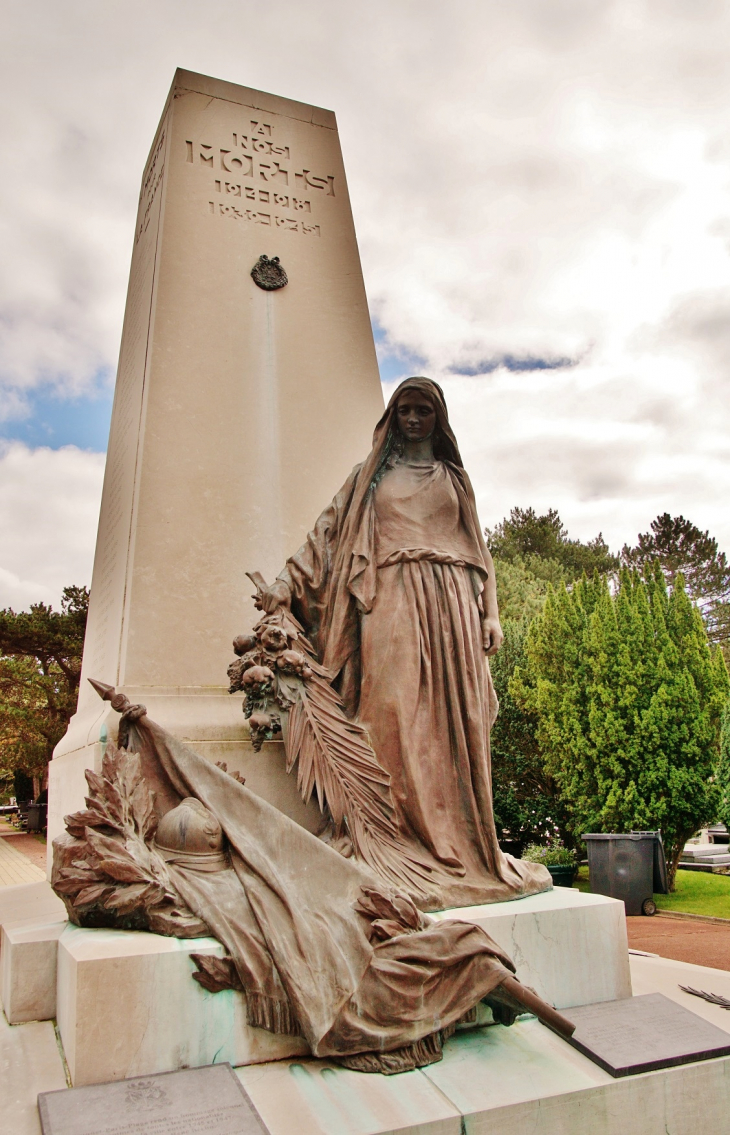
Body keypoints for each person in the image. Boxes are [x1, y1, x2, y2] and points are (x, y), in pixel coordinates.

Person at [260, 377, 550, 910]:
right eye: (406, 411)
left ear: (438, 418)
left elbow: (479, 550)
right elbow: (326, 533)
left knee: (453, 717)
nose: (414, 420)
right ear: (393, 417)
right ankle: (393, 840)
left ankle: (456, 844)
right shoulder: (370, 479)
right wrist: (284, 584)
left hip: (454, 602)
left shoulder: (454, 479)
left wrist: (492, 614)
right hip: (391, 594)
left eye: (423, 411)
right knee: (388, 707)